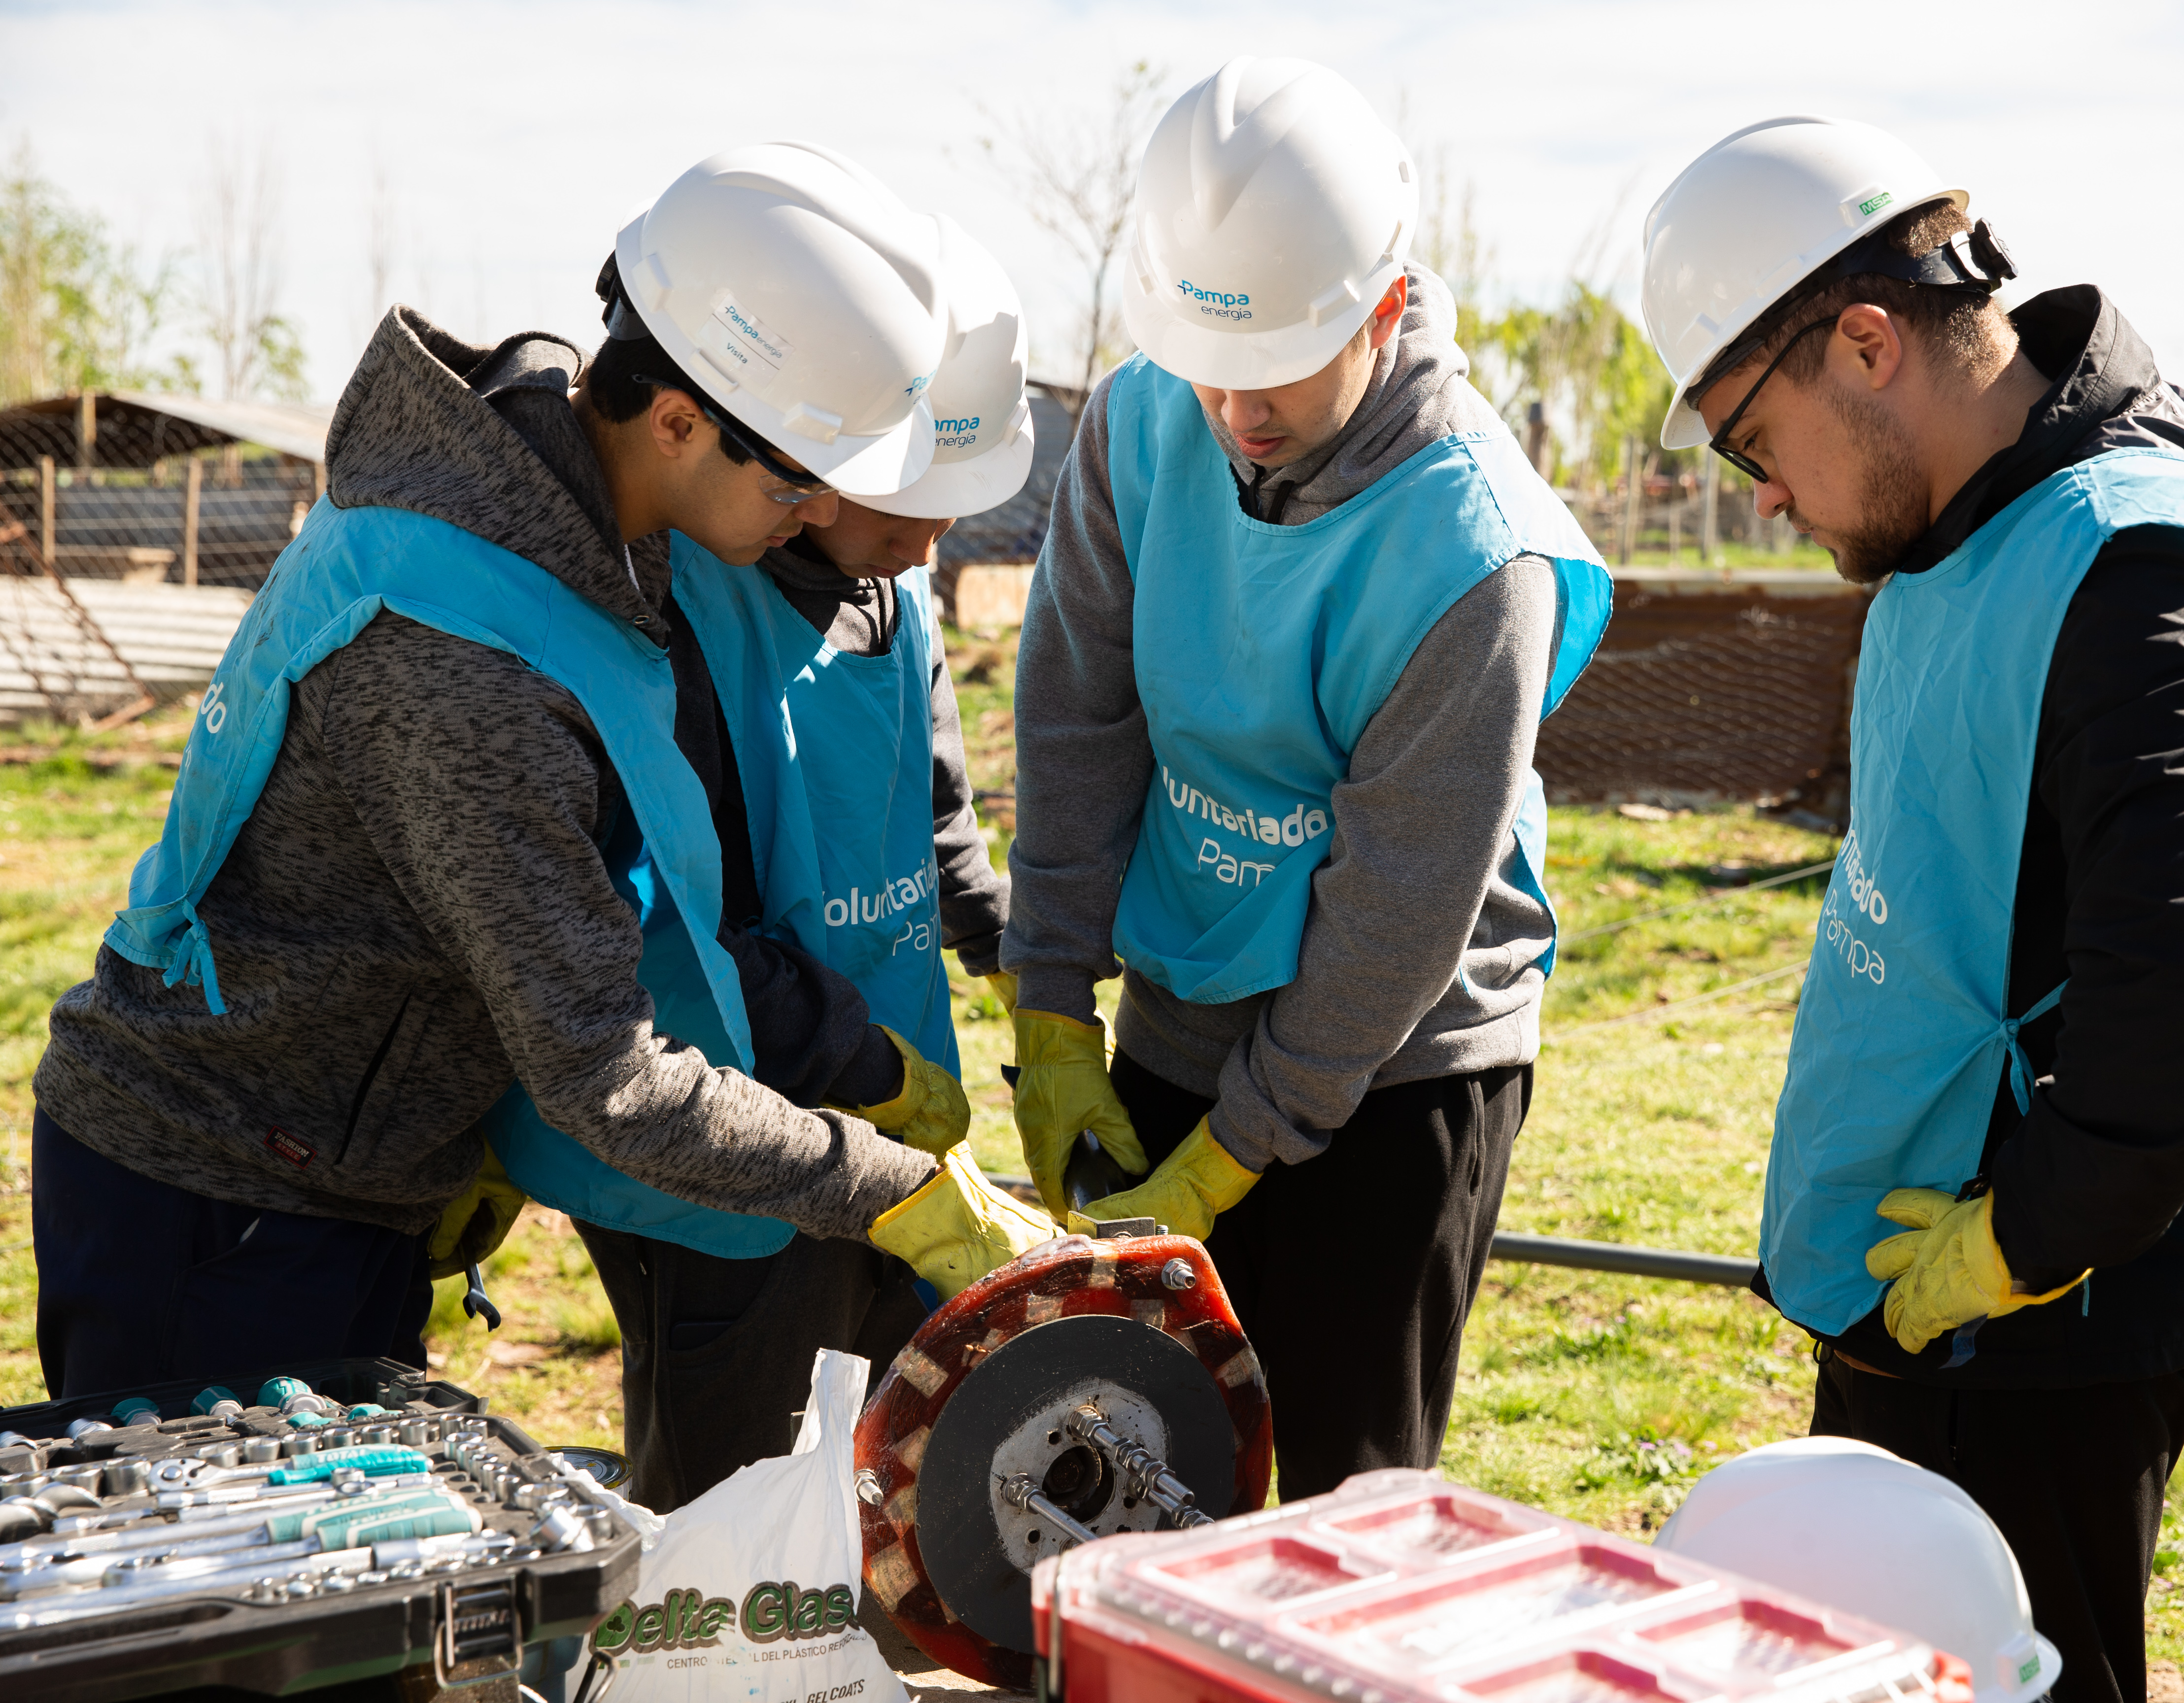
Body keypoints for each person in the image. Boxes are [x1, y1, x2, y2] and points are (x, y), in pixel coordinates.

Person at [30, 143, 1049, 1403]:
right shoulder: (468, 659)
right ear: (677, 419)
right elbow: (610, 1079)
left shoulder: (548, 520)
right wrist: (896, 1195)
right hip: (227, 1190)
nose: (817, 515)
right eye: (802, 479)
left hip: (346, 1161)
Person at [1638, 118, 2184, 1703]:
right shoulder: (1999, 517)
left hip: (2038, 1294)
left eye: (1750, 440)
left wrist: (2006, 1252)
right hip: (1964, 1254)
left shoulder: (2133, 574)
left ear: (1869, 343)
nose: (1759, 499)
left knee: (2002, 1670)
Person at [1003, 56, 1613, 1500]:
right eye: (1206, 364)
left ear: (1385, 311)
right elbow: (1080, 720)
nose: (1235, 412)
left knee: (1347, 1501)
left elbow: (1397, 910)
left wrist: (1235, 1160)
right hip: (1188, 995)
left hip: (1396, 1061)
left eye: (1274, 368)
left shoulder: (1476, 556)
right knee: (1133, 1468)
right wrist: (1050, 1004)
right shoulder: (1145, 419)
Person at [558, 216, 1037, 1509]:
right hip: (742, 1148)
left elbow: (934, 818)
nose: (934, 548)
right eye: (912, 507)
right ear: (828, 447)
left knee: (874, 1478)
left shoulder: (901, 593)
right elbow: (688, 934)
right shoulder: (688, 602)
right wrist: (865, 1070)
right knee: (740, 1504)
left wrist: (1023, 979)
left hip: (890, 1127)